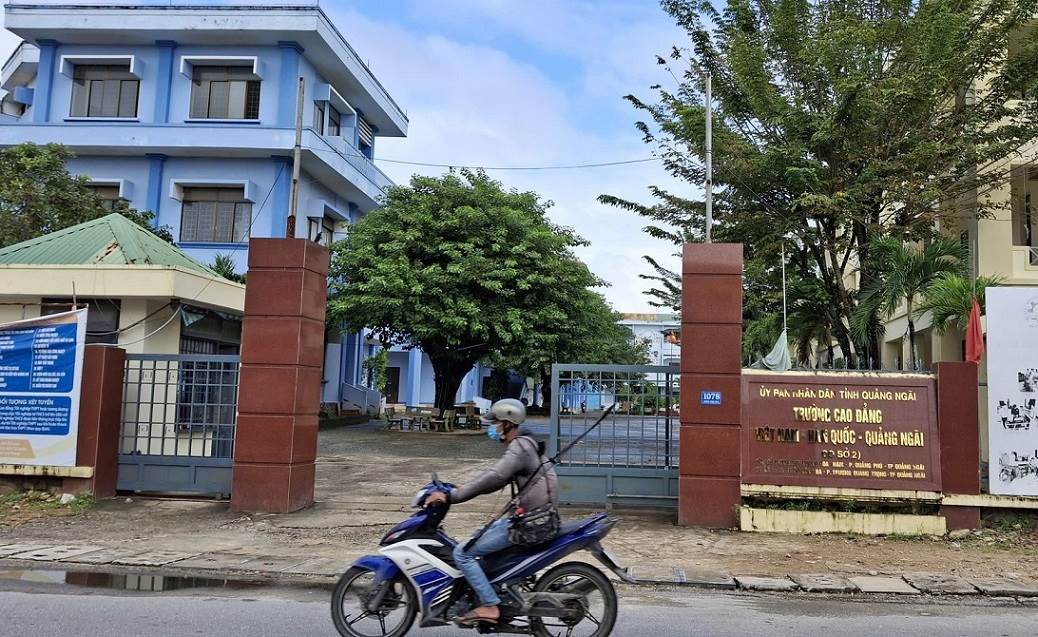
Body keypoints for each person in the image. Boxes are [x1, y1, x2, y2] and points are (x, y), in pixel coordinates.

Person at [424, 398, 559, 626]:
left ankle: (489, 605)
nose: (491, 427)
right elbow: (496, 480)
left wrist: (452, 496)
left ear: (507, 423)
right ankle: (495, 587)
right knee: (481, 536)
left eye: (494, 422)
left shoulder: (519, 447)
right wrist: (462, 488)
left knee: (462, 553)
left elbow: (493, 477)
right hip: (536, 517)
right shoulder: (527, 444)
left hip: (529, 523)